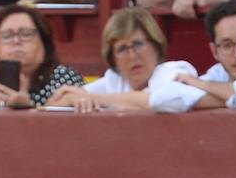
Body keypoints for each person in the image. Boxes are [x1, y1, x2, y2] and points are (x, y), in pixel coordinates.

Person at [45, 7, 197, 112]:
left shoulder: (175, 71)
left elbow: (155, 101)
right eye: (122, 49)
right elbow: (53, 104)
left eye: (138, 44)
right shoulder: (115, 79)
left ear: (156, 45)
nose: (132, 55)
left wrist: (90, 98)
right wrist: (73, 98)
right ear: (113, 59)